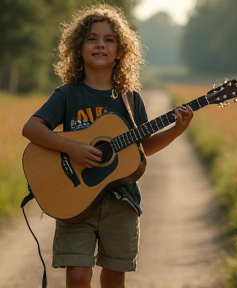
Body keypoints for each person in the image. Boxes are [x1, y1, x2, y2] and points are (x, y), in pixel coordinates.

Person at [22, 3, 193, 288]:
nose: (100, 45)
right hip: (73, 199)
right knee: (77, 276)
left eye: (109, 40)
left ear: (120, 51)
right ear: (79, 47)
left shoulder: (130, 100)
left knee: (114, 278)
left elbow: (141, 149)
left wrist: (177, 130)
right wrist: (71, 148)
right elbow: (32, 128)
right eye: (92, 38)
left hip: (121, 201)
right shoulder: (67, 94)